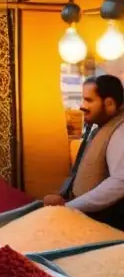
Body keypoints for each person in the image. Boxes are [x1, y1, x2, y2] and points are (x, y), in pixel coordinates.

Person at [44, 75, 124, 228]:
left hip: (105, 224)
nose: (82, 106)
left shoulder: (120, 131)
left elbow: (120, 182)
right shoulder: (104, 126)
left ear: (109, 104)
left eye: (89, 100)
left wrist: (71, 207)